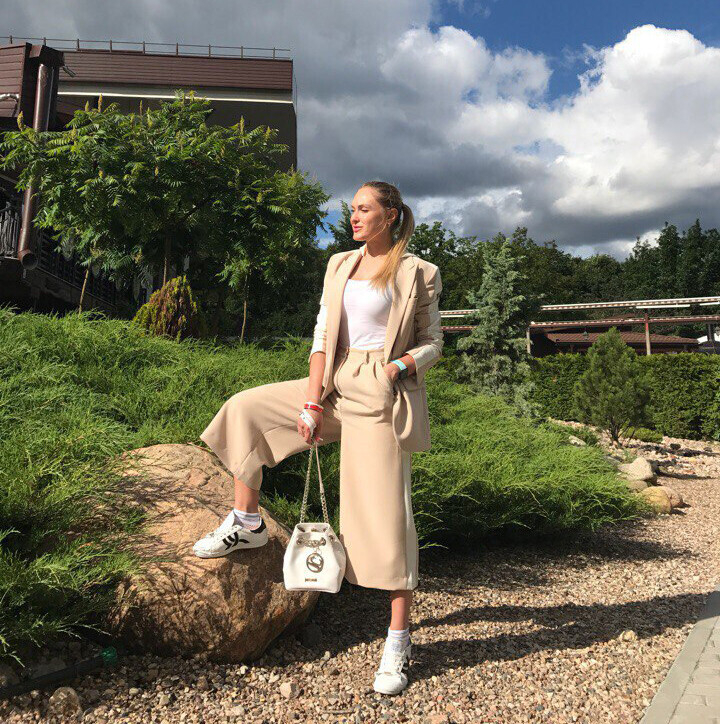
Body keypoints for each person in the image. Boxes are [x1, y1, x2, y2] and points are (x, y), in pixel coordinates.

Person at [193, 180, 443, 695]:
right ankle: (247, 522)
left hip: (380, 392)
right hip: (332, 382)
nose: (354, 216)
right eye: (352, 209)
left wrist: (397, 368)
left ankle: (398, 641)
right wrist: (310, 402)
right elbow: (322, 336)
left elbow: (433, 342)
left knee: (386, 518)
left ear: (390, 215)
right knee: (246, 409)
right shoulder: (339, 265)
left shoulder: (418, 271)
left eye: (364, 209)